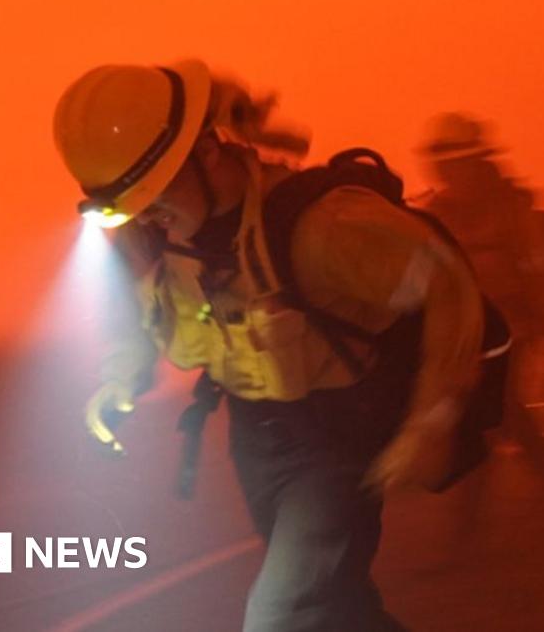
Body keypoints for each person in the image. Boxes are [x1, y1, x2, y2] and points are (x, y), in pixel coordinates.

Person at [53, 60, 487, 631]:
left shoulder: (325, 227)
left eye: (156, 195)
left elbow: (446, 285)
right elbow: (139, 304)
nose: (150, 218)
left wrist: (431, 419)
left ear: (207, 153)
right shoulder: (148, 224)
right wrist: (122, 375)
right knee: (337, 610)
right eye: (132, 208)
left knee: (282, 617)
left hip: (340, 433)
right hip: (256, 434)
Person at [417, 112, 544, 478]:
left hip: (514, 324)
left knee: (497, 403)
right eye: (442, 164)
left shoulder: (513, 211)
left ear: (475, 163)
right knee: (493, 407)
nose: (445, 172)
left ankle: (475, 512)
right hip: (466, 328)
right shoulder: (438, 213)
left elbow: (543, 271)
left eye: (454, 163)